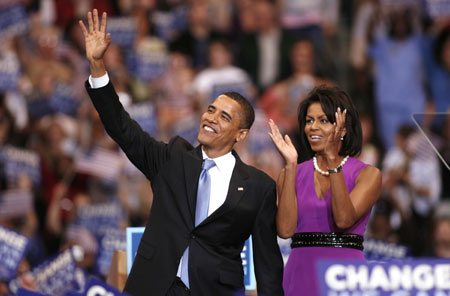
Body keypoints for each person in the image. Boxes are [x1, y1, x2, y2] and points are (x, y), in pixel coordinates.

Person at [79, 9, 283, 296]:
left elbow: (267, 263)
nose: (211, 117)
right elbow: (122, 128)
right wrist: (98, 66)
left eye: (224, 117)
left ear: (242, 134)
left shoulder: (259, 187)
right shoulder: (173, 158)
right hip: (152, 286)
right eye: (211, 110)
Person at [268, 86, 381, 295]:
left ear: (343, 129)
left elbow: (344, 219)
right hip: (300, 274)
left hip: (346, 276)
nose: (313, 127)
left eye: (323, 120)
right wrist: (291, 165)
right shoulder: (291, 172)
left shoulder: (368, 174)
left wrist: (332, 160)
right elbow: (285, 230)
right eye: (309, 121)